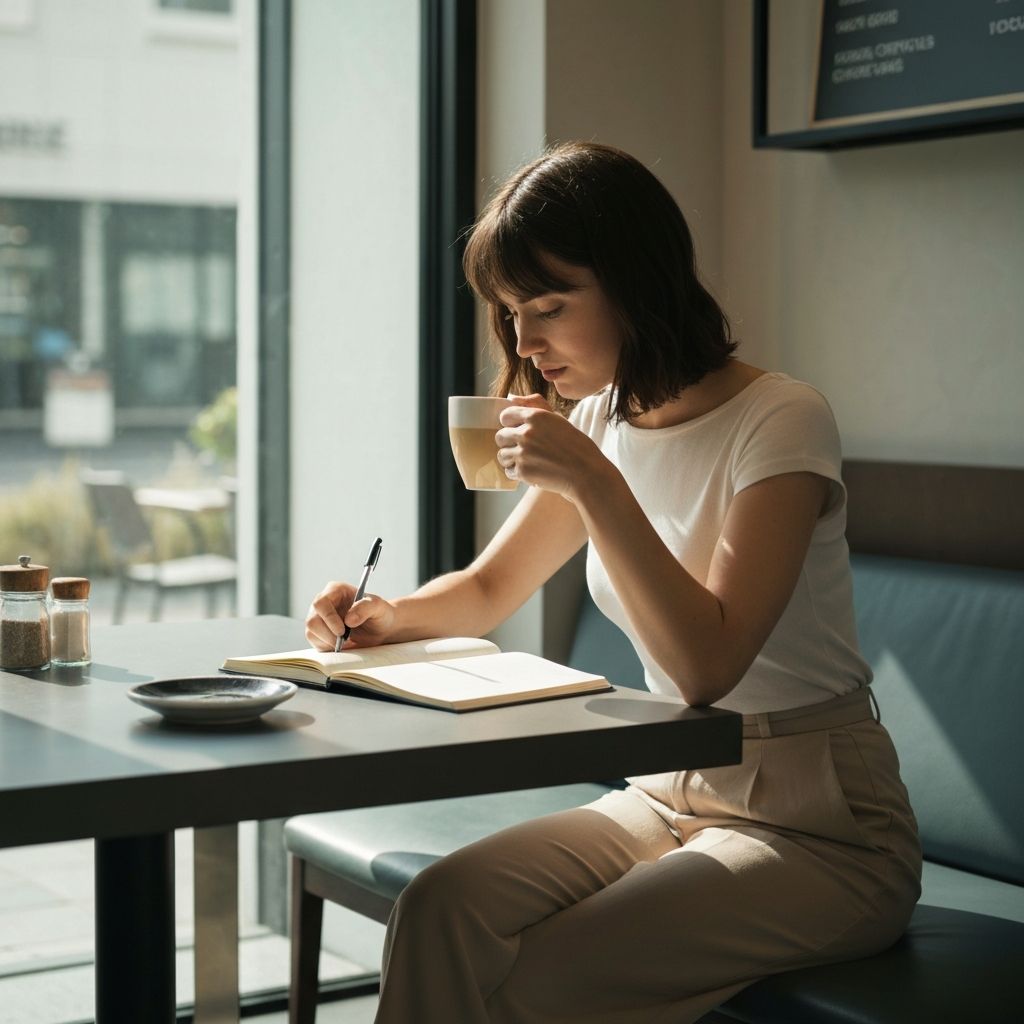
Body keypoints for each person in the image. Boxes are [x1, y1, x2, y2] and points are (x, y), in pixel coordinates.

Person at [305, 142, 921, 1023]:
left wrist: (593, 479)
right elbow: (486, 591)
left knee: (543, 979)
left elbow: (708, 664)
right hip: (670, 792)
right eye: (513, 312)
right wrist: (382, 615)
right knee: (440, 907)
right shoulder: (603, 418)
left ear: (638, 281)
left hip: (821, 824)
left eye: (549, 307)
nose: (524, 342)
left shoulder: (781, 420)